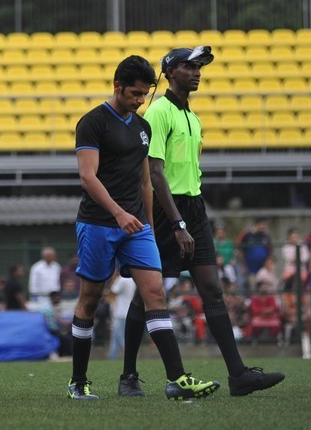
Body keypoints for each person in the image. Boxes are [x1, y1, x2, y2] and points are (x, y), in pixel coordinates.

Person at [120, 46, 284, 397]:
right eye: (188, 66)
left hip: (193, 208)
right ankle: (129, 375)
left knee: (211, 289)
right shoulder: (159, 112)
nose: (196, 72)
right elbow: (155, 172)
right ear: (169, 72)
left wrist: (190, 217)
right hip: (168, 213)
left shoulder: (193, 117)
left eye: (198, 67)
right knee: (149, 296)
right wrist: (177, 224)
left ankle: (238, 375)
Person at [67, 55, 219, 402]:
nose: (139, 101)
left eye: (143, 95)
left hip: (137, 227)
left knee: (155, 294)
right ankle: (78, 381)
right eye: (134, 94)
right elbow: (87, 176)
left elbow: (145, 180)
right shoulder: (92, 123)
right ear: (117, 86)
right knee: (89, 300)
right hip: (98, 224)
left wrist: (148, 225)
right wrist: (120, 214)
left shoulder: (142, 127)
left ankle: (177, 379)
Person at [107, 275, 136, 360]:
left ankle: (131, 357)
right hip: (127, 311)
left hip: (121, 313)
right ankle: (112, 358)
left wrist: (104, 291)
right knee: (115, 338)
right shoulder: (133, 279)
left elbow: (113, 291)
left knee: (121, 337)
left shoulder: (122, 278)